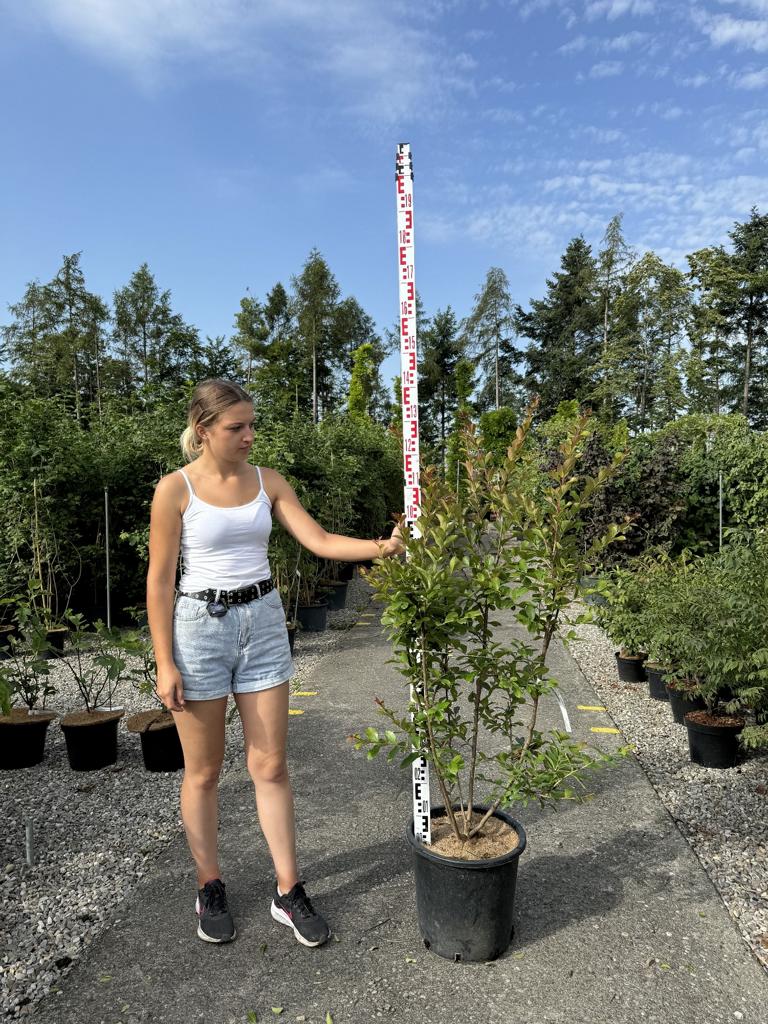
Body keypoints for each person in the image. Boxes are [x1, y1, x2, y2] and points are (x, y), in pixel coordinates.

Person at [146, 379, 403, 946]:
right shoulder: (175, 490)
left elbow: (320, 540)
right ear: (204, 429)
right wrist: (165, 662)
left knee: (271, 765)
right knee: (204, 771)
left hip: (263, 625)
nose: (248, 435)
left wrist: (381, 548)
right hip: (199, 631)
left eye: (251, 424)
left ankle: (288, 890)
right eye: (236, 427)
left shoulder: (269, 482)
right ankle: (209, 882)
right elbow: (160, 581)